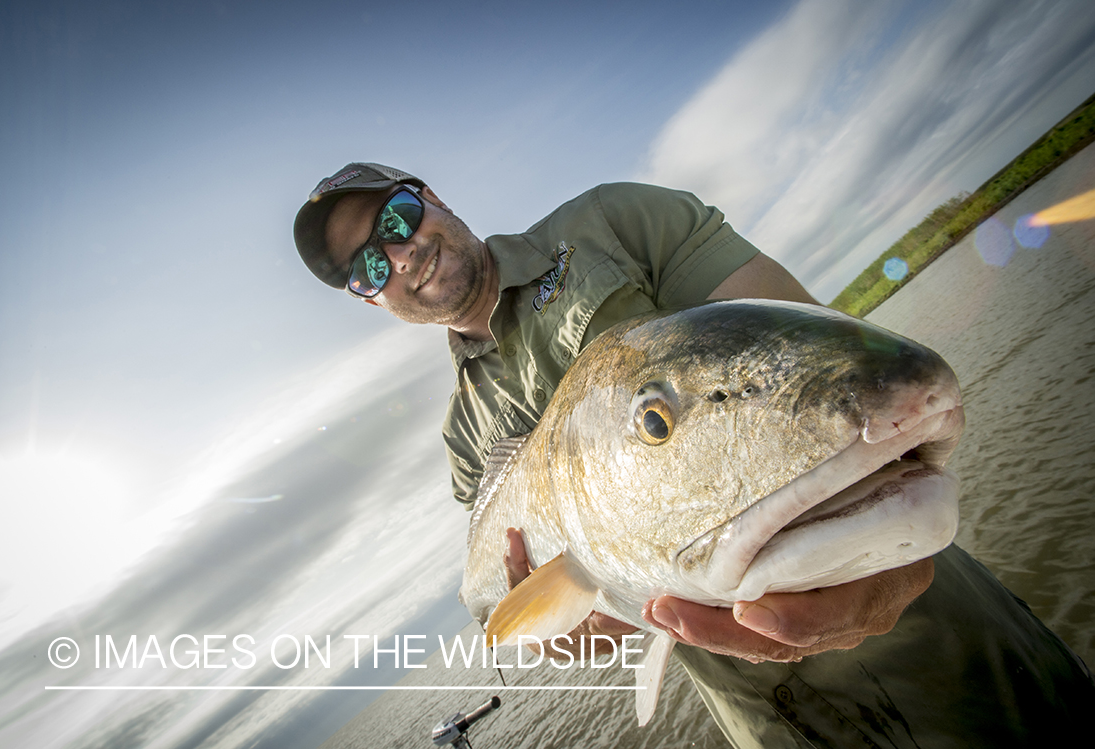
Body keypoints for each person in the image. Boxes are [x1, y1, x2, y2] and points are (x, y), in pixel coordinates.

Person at [294, 162, 1093, 747]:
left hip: (924, 618)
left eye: (396, 221)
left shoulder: (612, 223)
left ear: (429, 195)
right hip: (768, 720)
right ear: (369, 298)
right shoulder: (465, 439)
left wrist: (894, 562)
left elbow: (830, 355)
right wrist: (569, 628)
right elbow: (564, 611)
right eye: (368, 268)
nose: (399, 256)